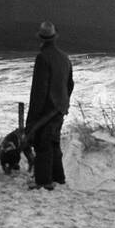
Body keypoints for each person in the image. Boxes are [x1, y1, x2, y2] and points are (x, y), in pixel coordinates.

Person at [23, 20, 74, 192]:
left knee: (43, 143)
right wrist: (63, 103)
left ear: (41, 39)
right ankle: (58, 177)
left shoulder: (42, 57)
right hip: (59, 108)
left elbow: (39, 90)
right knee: (53, 143)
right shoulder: (64, 57)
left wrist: (32, 119)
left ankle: (44, 181)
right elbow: (70, 85)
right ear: (53, 37)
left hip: (46, 109)